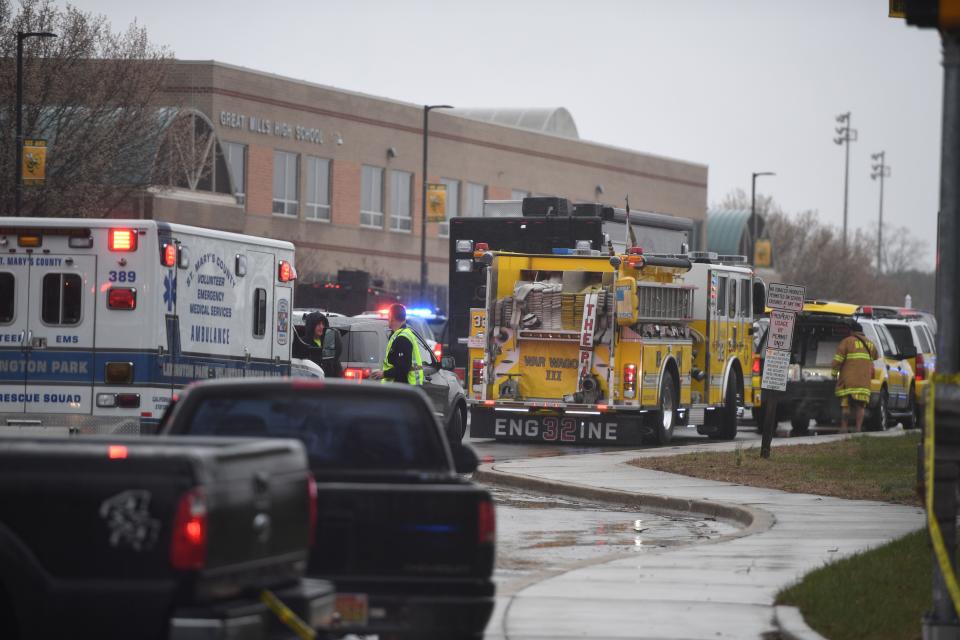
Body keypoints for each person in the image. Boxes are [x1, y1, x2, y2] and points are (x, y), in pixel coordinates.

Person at [831, 322, 879, 433]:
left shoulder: (847, 341)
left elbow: (837, 360)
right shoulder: (870, 344)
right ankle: (858, 429)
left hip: (847, 381)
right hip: (863, 382)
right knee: (861, 406)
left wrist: (834, 373)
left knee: (845, 405)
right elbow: (876, 357)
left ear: (851, 331)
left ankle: (844, 428)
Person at [370, 304, 424, 385]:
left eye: (388, 316)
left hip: (404, 388)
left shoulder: (403, 338)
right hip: (402, 387)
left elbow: (403, 368)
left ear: (391, 317)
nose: (388, 319)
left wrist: (384, 374)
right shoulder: (399, 335)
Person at [303, 312, 342, 378]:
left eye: (323, 324)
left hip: (328, 383)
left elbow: (336, 363)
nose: (321, 327)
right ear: (311, 325)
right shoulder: (303, 343)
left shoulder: (329, 342)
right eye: (318, 324)